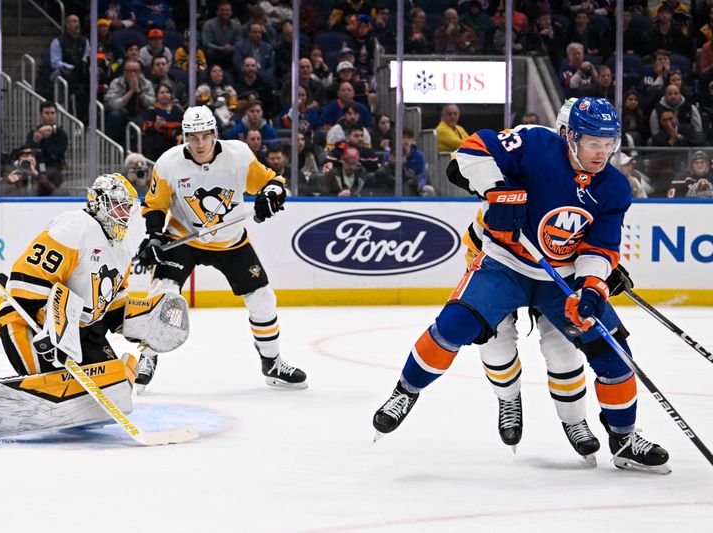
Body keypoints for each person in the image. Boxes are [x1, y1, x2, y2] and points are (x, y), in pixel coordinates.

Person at [372, 97, 671, 474]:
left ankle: (624, 440)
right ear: (569, 136)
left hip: (560, 278)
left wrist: (592, 289)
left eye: (609, 143)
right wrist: (497, 191)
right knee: (455, 325)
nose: (602, 152)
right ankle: (405, 392)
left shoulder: (613, 187)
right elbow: (472, 150)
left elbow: (600, 246)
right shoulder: (534, 144)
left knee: (614, 353)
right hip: (506, 263)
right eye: (594, 143)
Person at [0, 174, 188, 444]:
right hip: (27, 322)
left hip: (81, 332)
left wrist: (139, 321)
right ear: (99, 202)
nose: (125, 214)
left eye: (128, 207)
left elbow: (110, 303)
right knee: (45, 385)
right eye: (118, 205)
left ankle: (64, 386)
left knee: (115, 388)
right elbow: (27, 278)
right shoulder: (76, 226)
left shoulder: (122, 246)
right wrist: (51, 331)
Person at [133, 106, 307, 391]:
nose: (199, 143)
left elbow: (273, 183)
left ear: (215, 133)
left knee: (263, 298)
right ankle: (148, 357)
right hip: (184, 238)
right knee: (162, 293)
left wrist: (270, 197)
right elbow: (155, 205)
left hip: (230, 240)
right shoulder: (168, 163)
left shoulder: (238, 154)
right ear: (184, 137)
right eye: (192, 137)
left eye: (205, 135)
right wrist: (153, 235)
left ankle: (272, 362)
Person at [104, 58, 156, 144]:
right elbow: (114, 105)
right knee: (114, 115)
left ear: (140, 72)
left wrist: (138, 91)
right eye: (129, 71)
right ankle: (113, 146)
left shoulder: (146, 83)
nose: (133, 74)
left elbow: (152, 103)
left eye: (135, 71)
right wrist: (131, 91)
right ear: (124, 72)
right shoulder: (116, 83)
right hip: (122, 115)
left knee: (152, 112)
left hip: (140, 115)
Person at [25, 101, 68, 196]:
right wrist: (36, 140)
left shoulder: (61, 134)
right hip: (36, 169)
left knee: (46, 187)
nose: (50, 116)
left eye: (53, 113)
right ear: (41, 114)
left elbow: (58, 153)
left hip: (54, 169)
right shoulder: (33, 133)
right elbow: (28, 150)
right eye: (47, 113)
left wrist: (45, 139)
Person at [140, 83, 183, 161]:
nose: (165, 94)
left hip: (174, 143)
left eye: (167, 92)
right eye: (162, 92)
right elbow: (145, 129)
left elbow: (182, 126)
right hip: (156, 145)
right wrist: (155, 126)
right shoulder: (151, 110)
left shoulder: (177, 110)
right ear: (157, 95)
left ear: (171, 95)